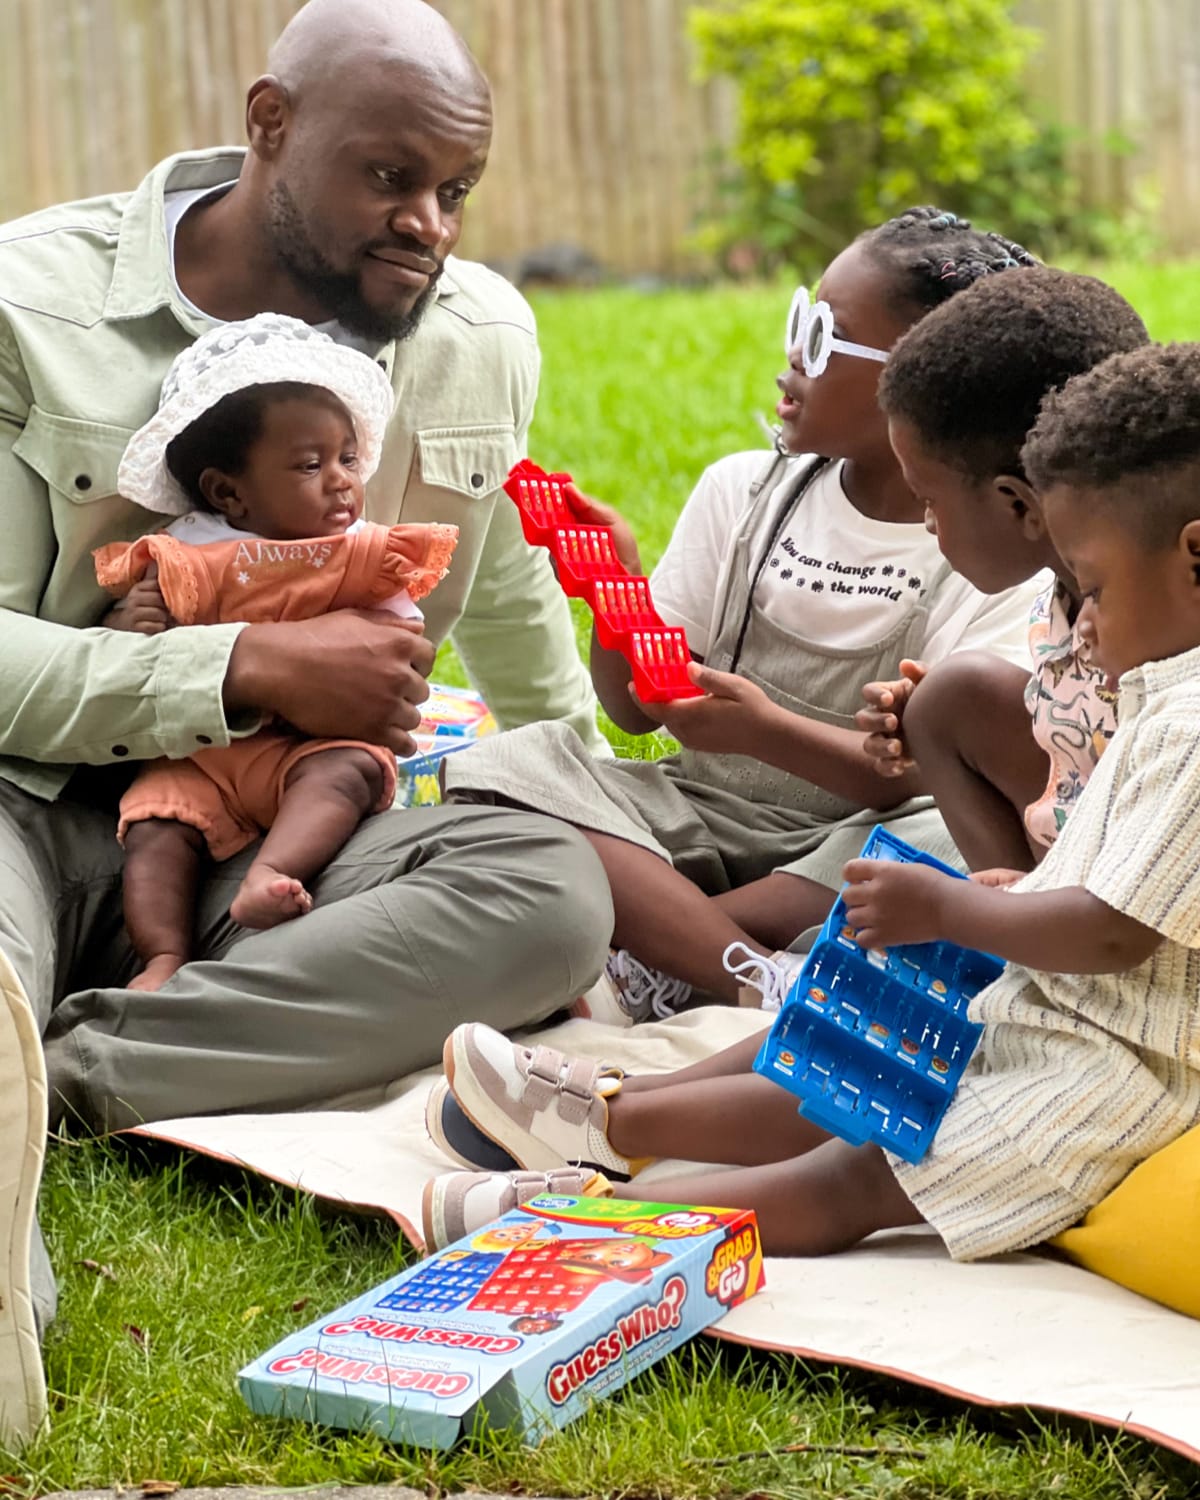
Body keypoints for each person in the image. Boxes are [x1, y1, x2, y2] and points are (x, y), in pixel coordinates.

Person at [0, 0, 611, 1444]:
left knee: (551, 892)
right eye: (389, 178)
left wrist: (589, 773)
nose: (430, 225)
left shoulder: (473, 335)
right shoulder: (30, 303)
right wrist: (238, 672)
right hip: (26, 803)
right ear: (271, 126)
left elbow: (506, 580)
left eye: (456, 191)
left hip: (281, 840)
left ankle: (74, 1065)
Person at [422, 340, 1200, 1263]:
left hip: (1120, 1065)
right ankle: (605, 1126)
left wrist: (958, 906)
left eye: (1096, 589)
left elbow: (1119, 932)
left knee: (855, 1173)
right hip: (1060, 1005)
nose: (1087, 618)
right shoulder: (1166, 690)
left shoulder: (1189, 718)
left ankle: (567, 1226)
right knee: (856, 1050)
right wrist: (1009, 894)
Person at [445, 208, 1044, 1023]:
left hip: (844, 844)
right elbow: (628, 707)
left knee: (948, 841)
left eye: (823, 339)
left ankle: (675, 946)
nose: (790, 359)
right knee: (506, 767)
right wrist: (615, 587)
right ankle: (755, 972)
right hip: (690, 818)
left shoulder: (987, 553)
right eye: (800, 320)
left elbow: (927, 770)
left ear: (922, 383)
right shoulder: (744, 491)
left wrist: (765, 730)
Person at [101, 316, 463, 988]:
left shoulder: (360, 552)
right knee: (153, 830)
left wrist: (396, 657)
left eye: (348, 460)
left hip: (306, 747)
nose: (341, 482)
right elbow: (135, 646)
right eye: (309, 464)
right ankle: (162, 955)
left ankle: (273, 871)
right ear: (226, 492)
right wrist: (133, 622)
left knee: (347, 772)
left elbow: (405, 643)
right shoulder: (187, 550)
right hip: (200, 757)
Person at [855, 267, 1149, 871]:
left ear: (1017, 504)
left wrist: (957, 914)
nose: (928, 524)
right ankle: (1015, 938)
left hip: (1145, 908)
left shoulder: (1159, 631)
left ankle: (1020, 938)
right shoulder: (1062, 601)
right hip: (1081, 867)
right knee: (946, 700)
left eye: (929, 499)